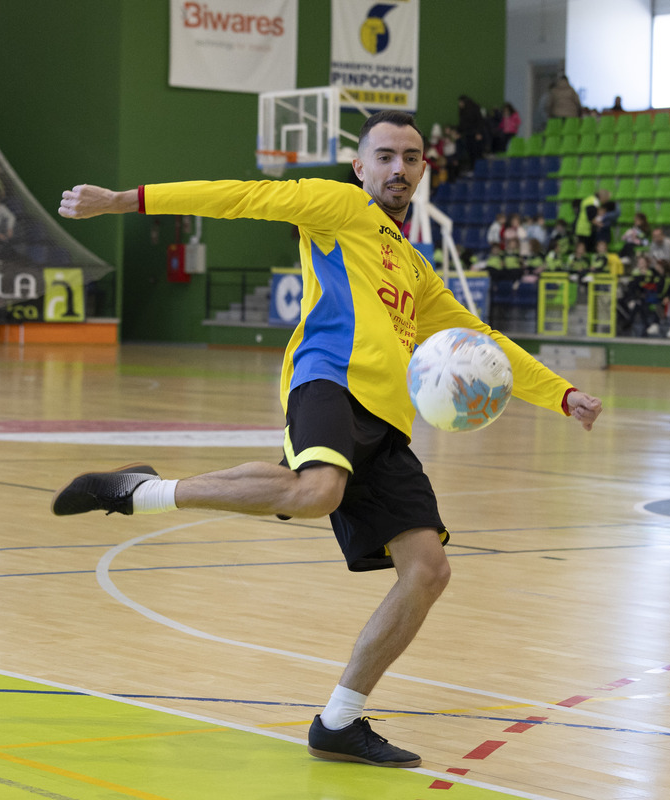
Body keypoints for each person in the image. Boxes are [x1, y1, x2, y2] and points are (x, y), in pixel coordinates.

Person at [51, 110, 603, 769]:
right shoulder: (338, 206)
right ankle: (146, 492)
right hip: (329, 381)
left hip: (389, 426)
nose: (400, 167)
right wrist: (122, 201)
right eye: (386, 155)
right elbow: (240, 197)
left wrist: (562, 393)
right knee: (316, 490)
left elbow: (482, 342)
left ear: (425, 169)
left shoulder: (415, 267)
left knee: (427, 570)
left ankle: (339, 721)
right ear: (360, 167)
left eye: (412, 157)